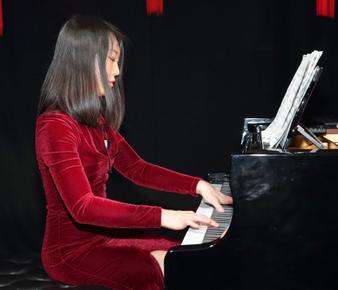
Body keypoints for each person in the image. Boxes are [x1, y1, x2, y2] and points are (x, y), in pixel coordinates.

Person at [35, 15, 233, 290]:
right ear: (83, 60)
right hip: (69, 255)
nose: (117, 71)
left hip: (104, 241)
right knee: (158, 269)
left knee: (183, 256)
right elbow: (83, 207)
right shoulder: (54, 125)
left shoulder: (96, 122)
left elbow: (138, 169)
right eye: (111, 59)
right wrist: (163, 215)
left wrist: (198, 186)